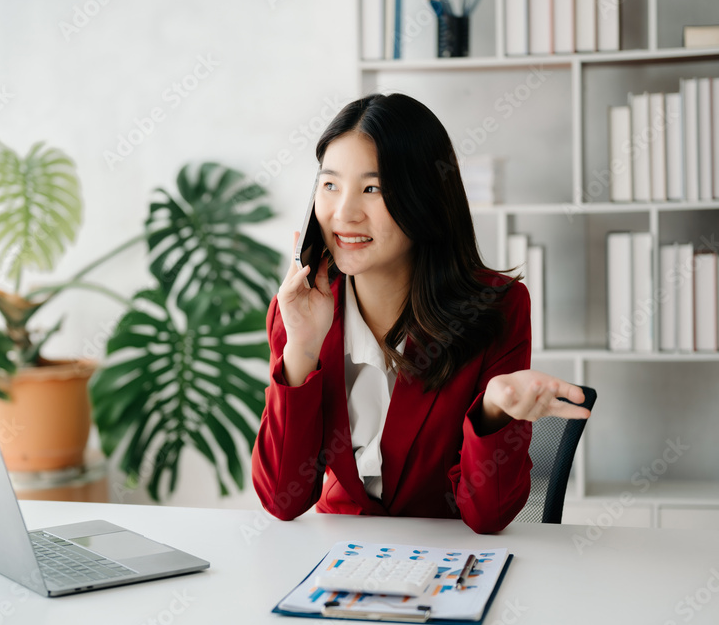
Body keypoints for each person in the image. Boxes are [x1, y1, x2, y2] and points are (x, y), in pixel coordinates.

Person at [251, 93, 591, 534]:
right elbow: (282, 499)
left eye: (373, 188)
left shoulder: (497, 307)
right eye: (330, 184)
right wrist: (302, 347)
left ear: (424, 198)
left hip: (447, 561)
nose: (344, 213)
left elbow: (487, 517)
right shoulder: (299, 305)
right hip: (338, 555)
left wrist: (493, 412)